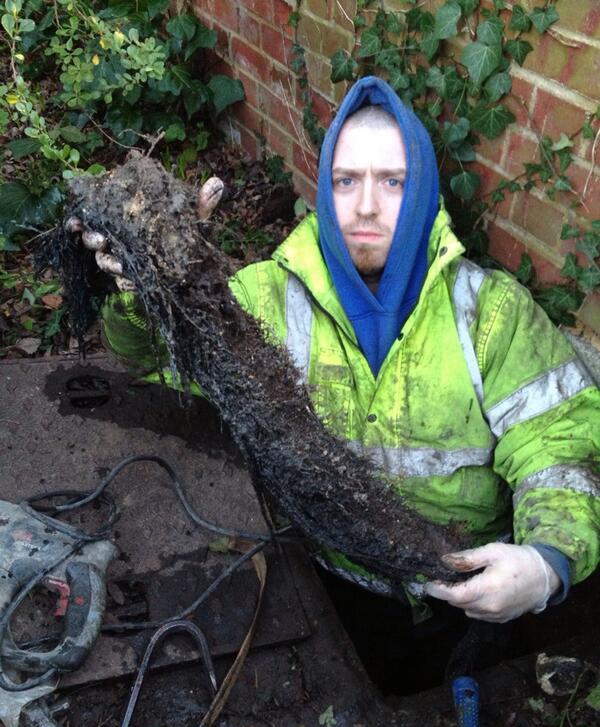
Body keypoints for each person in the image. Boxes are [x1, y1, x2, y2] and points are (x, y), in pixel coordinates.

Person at [70, 76, 600, 628]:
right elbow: (154, 355)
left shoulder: (492, 315)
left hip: (473, 588)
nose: (366, 207)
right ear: (324, 188)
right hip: (329, 572)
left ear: (421, 191)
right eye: (347, 181)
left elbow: (558, 447)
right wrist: (154, 289)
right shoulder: (267, 298)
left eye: (392, 182)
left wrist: (546, 562)